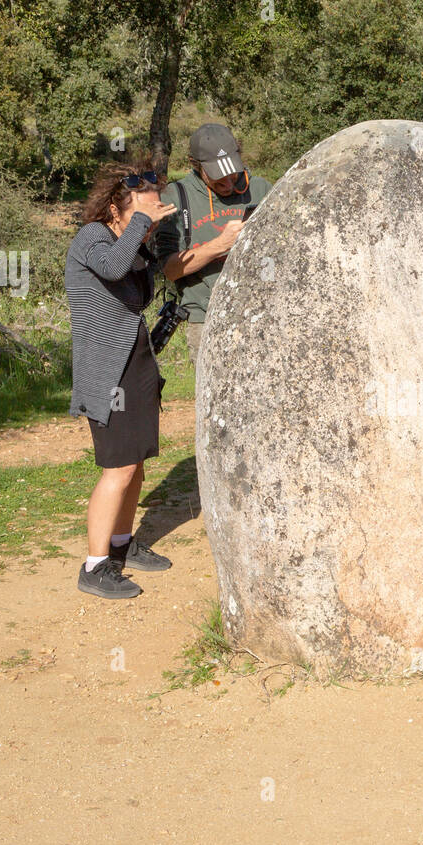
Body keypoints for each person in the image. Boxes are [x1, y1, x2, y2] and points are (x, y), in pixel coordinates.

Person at [66, 160, 177, 599]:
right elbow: (112, 268)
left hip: (135, 363)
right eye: (141, 215)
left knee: (136, 461)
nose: (147, 223)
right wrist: (142, 227)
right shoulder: (92, 238)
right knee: (118, 466)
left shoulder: (129, 244)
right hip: (104, 370)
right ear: (115, 207)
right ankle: (94, 567)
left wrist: (149, 237)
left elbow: (138, 291)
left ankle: (121, 546)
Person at [156, 123, 274, 365]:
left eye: (233, 174)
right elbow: (170, 269)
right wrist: (220, 245)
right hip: (206, 318)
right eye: (219, 178)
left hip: (261, 314)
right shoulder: (176, 196)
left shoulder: (260, 189)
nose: (229, 184)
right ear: (196, 165)